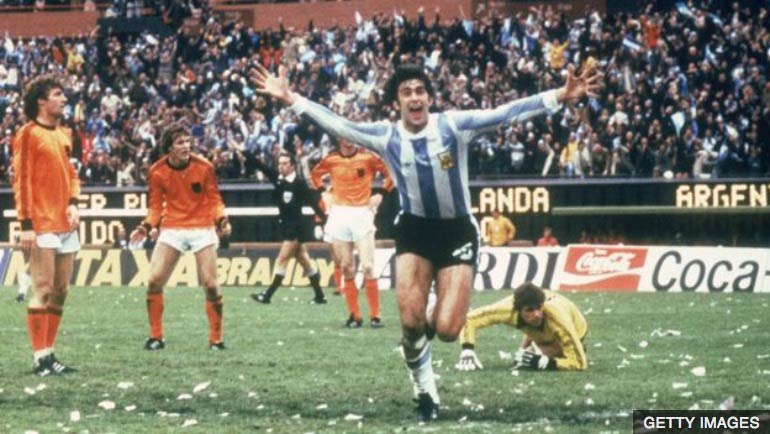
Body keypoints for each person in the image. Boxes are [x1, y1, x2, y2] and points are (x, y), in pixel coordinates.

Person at [252, 61, 600, 421]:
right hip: (415, 231)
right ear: (397, 103)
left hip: (457, 232)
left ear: (429, 97)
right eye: (406, 92)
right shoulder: (386, 137)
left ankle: (424, 325)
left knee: (448, 330)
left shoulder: (453, 126)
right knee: (410, 321)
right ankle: (424, 391)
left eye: (420, 90)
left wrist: (561, 95)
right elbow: (337, 123)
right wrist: (290, 98)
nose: (414, 97)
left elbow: (506, 113)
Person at [129, 123, 232, 351]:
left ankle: (216, 339)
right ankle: (156, 337)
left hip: (201, 227)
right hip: (173, 228)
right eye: (180, 142)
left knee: (211, 286)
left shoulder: (204, 167)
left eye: (187, 141)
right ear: (169, 147)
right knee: (154, 280)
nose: (186, 146)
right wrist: (145, 227)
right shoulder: (157, 172)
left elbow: (215, 199)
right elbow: (155, 207)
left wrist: (222, 219)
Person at [13, 75, 81, 376]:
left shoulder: (64, 134)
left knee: (61, 290)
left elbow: (72, 174)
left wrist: (74, 202)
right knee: (42, 288)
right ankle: (39, 357)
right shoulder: (28, 134)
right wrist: (25, 223)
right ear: (41, 100)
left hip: (65, 223)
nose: (64, 99)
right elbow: (21, 180)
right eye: (57, 94)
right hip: (40, 222)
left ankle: (50, 353)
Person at [310, 137, 394, 328]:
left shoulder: (368, 157)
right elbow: (314, 175)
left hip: (362, 213)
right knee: (347, 266)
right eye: (344, 137)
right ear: (339, 139)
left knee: (368, 266)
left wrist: (381, 193)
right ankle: (354, 316)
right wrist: (323, 192)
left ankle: (375, 315)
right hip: (339, 214)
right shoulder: (331, 159)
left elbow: (391, 174)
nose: (349, 140)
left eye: (351, 136)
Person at [455, 282, 588, 372]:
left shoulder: (559, 320)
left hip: (575, 328)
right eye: (529, 310)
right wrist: (467, 349)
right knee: (525, 358)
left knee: (534, 358)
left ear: (543, 304)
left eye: (539, 307)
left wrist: (548, 363)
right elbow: (469, 319)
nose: (536, 314)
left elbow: (580, 363)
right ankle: (535, 348)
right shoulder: (507, 309)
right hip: (538, 330)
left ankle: (571, 347)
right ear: (517, 310)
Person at [251, 151, 328, 305]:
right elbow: (262, 167)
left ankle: (267, 295)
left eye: (285, 163)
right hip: (286, 226)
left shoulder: (299, 183)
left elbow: (313, 203)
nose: (281, 166)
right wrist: (244, 152)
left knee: (282, 259)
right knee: (305, 261)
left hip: (296, 228)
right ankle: (320, 296)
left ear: (292, 166)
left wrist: (325, 220)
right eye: (280, 163)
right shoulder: (279, 180)